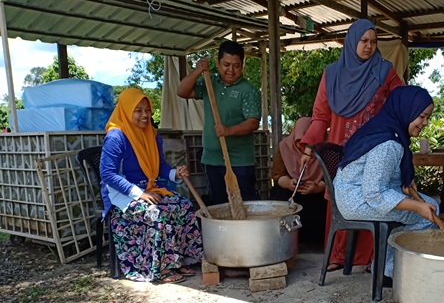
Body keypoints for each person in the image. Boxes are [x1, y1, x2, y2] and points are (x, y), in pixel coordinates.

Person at [299, 18, 404, 272]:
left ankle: (370, 257)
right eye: (363, 41)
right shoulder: (332, 74)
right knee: (341, 198)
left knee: (372, 195)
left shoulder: (384, 71)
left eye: (373, 42)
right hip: (341, 151)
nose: (368, 46)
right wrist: (309, 147)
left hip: (373, 149)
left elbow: (401, 103)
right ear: (351, 41)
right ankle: (337, 256)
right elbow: (320, 116)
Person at [333, 86, 439, 285]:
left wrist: (405, 187)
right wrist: (417, 206)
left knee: (429, 205)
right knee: (426, 213)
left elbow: (380, 177)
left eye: (427, 118)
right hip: (357, 201)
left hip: (355, 193)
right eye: (421, 116)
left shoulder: (385, 129)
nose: (425, 123)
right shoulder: (388, 144)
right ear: (406, 110)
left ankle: (386, 268)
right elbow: (375, 193)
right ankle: (388, 272)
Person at [100, 88, 203, 283]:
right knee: (157, 213)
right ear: (126, 110)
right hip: (122, 195)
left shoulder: (153, 135)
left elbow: (160, 166)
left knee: (184, 206)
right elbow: (108, 174)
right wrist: (139, 193)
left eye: (147, 110)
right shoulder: (116, 137)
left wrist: (175, 173)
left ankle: (180, 259)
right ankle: (161, 267)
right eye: (138, 110)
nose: (145, 115)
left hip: (149, 189)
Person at [177, 40, 261, 205]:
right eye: (226, 64)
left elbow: (253, 122)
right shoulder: (210, 82)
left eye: (236, 66)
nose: (231, 70)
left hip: (240, 161)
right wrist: (197, 71)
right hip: (212, 159)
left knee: (245, 206)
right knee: (219, 206)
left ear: (242, 65)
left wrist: (229, 130)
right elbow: (182, 92)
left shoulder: (248, 90)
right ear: (217, 63)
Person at [270, 117, 327, 244]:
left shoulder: (326, 150)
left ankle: (315, 241)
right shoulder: (284, 147)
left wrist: (319, 187)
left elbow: (334, 178)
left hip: (317, 192)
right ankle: (286, 239)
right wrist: (288, 183)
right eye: (300, 142)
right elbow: (277, 175)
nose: (304, 148)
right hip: (292, 191)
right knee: (278, 194)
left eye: (308, 144)